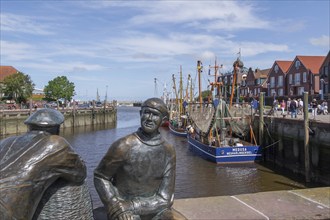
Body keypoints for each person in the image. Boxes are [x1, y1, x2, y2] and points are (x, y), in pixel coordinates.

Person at [94, 98, 186, 220]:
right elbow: (101, 176)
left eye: (155, 115)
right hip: (123, 209)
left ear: (163, 120)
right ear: (140, 114)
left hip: (153, 208)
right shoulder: (123, 145)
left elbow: (165, 198)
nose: (149, 118)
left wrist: (132, 205)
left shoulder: (168, 151)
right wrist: (113, 204)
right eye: (146, 112)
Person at [0, 109, 87, 220]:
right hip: (7, 208)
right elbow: (80, 174)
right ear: (57, 128)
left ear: (29, 126)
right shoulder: (56, 143)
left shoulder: (6, 141)